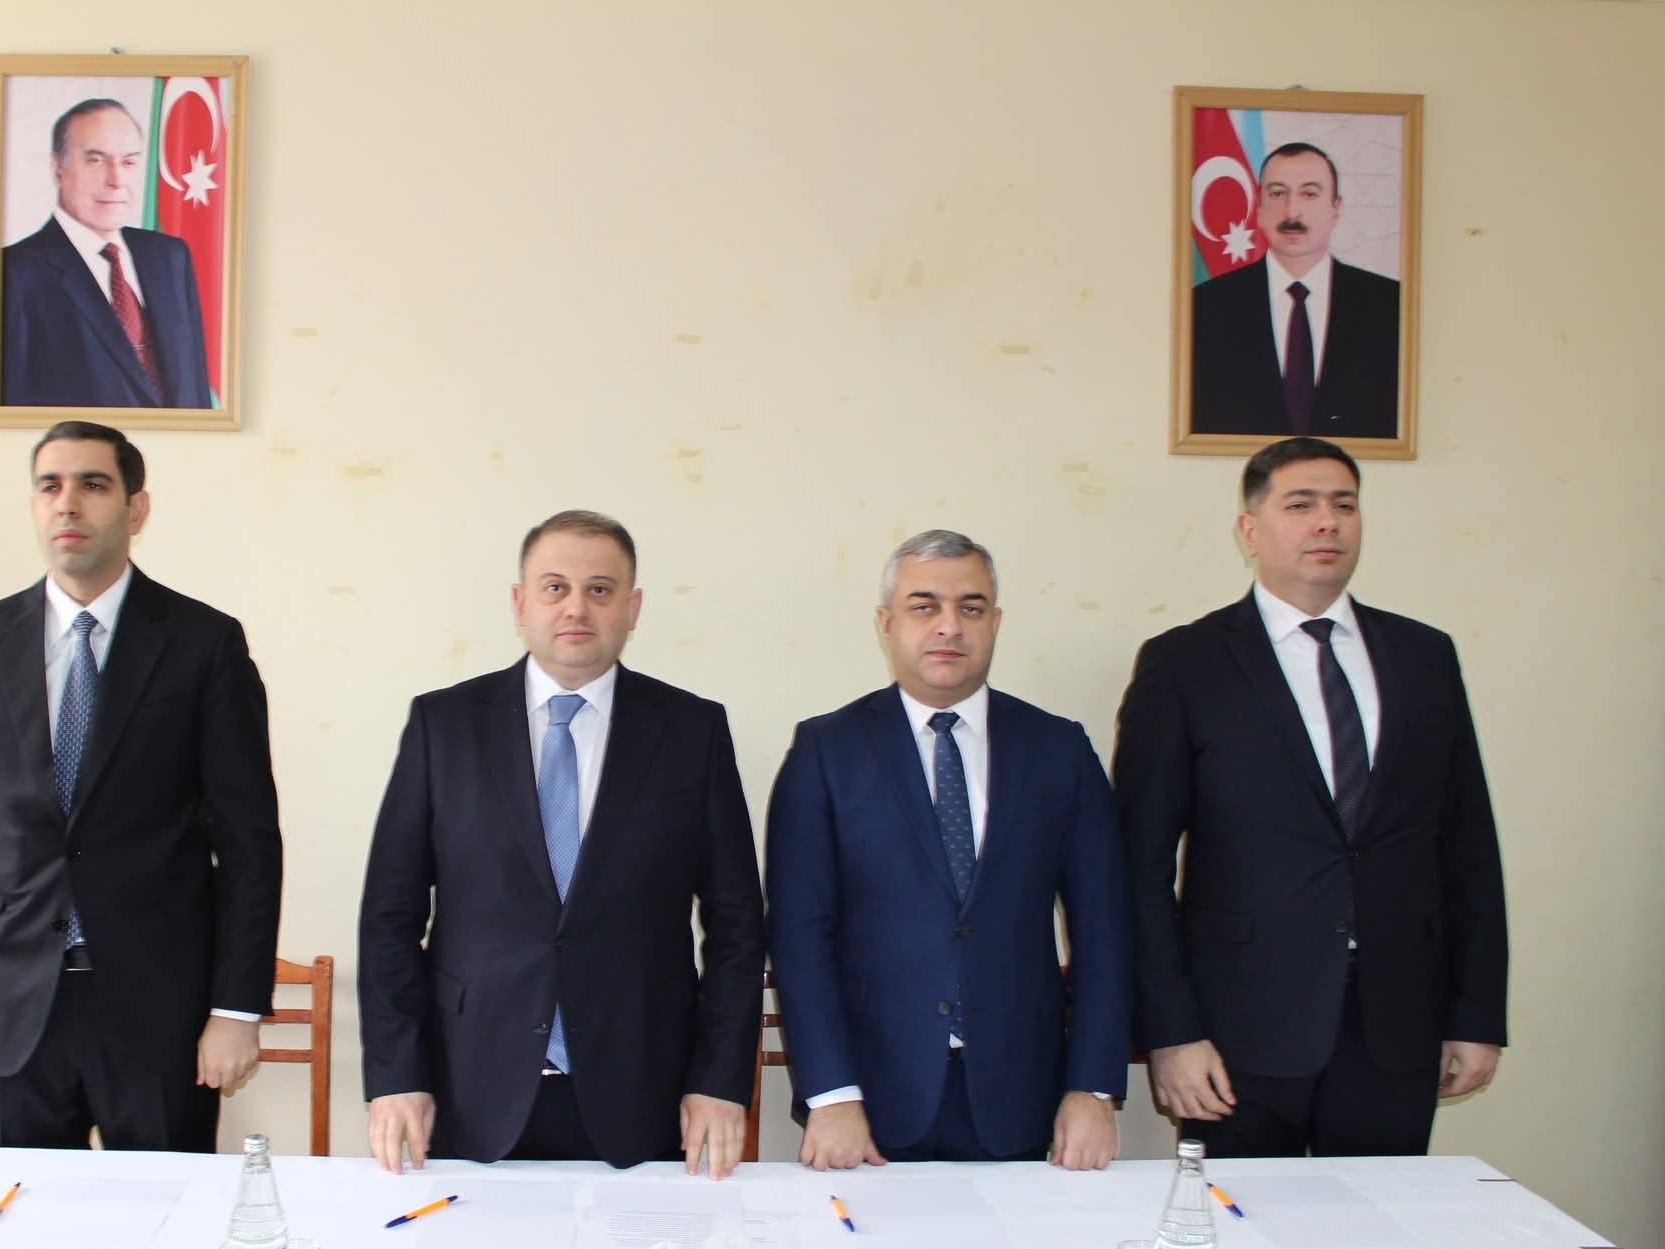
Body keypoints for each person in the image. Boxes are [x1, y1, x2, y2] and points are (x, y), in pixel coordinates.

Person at [1114, 437, 1507, 1158]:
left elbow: (1468, 847)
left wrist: (1476, 1015)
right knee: (1240, 1223)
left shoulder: (1424, 656)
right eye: (1300, 505)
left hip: (1397, 1025)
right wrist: (1171, 1031)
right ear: (1250, 529)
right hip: (1238, 1030)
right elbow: (1138, 868)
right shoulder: (1185, 664)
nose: (1327, 522)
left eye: (1344, 505)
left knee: (1381, 1223)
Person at [358, 510, 765, 1177]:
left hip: (646, 1091)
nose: (577, 607)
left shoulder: (692, 731)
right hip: (469, 1086)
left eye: (600, 589)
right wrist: (397, 1074)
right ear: (521, 604)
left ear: (632, 608)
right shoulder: (444, 725)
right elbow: (389, 917)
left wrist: (719, 1081)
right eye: (555, 588)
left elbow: (738, 926)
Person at [0, 420, 281, 1151]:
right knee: (29, 1213)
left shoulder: (204, 644)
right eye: (50, 486)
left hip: (162, 1011)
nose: (68, 503)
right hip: (19, 1008)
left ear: (135, 509)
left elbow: (249, 844)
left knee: (171, 1211)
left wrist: (236, 1008)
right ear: (33, 506)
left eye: (93, 484)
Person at [765, 531, 1132, 1169]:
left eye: (971, 607)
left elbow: (1105, 928)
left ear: (995, 621)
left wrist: (1093, 1087)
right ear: (887, 622)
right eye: (924, 606)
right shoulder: (827, 752)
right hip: (869, 1101)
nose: (949, 626)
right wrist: (832, 1094)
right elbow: (800, 936)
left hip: (1023, 1094)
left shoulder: (1058, 750)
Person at [0, 99, 213, 409]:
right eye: (96, 160)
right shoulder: (14, 273)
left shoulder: (170, 257)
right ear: (57, 167)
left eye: (129, 162)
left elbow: (195, 390)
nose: (116, 180)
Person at [1191, 142, 1400, 439]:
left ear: (1336, 208)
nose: (1292, 211)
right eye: (1278, 193)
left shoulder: (1391, 305)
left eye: (1309, 194)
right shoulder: (1205, 306)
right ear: (1259, 208)